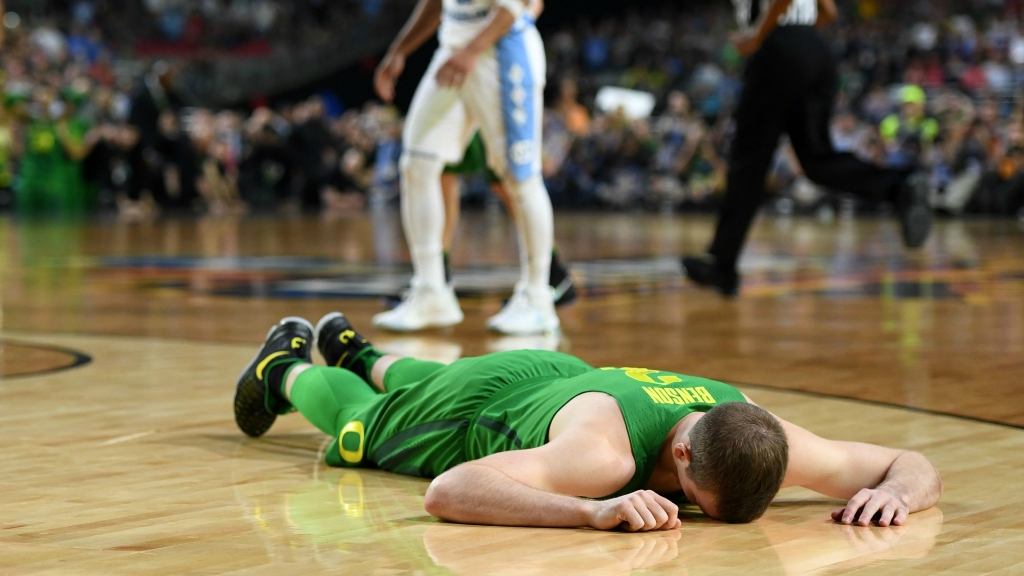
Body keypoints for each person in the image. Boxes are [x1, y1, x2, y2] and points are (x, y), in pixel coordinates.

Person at [233, 314, 943, 531]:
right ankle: (286, 371)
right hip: (482, 409)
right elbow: (446, 491)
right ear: (687, 455)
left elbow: (909, 461)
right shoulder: (602, 459)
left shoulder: (754, 431)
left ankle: (363, 352)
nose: (685, 512)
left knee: (427, 378)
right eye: (692, 502)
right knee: (362, 430)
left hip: (558, 375)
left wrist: (900, 494)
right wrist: (586, 512)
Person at [681, 0, 933, 296]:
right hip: (815, 52)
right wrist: (796, 38)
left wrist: (758, 35)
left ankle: (722, 265)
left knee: (748, 164)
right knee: (816, 160)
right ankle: (899, 187)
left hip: (778, 52)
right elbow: (829, 12)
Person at [371, 0, 559, 335]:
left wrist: (472, 51)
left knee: (521, 179)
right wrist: (399, 51)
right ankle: (432, 291)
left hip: (502, 53)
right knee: (417, 163)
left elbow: (517, 7)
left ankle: (538, 298)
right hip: (454, 50)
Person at [439, 132, 578, 308]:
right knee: (441, 170)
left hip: (493, 109)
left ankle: (552, 276)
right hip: (462, 106)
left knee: (511, 179)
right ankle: (436, 274)